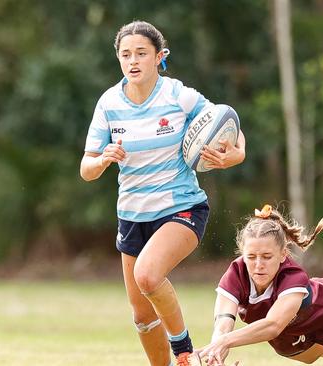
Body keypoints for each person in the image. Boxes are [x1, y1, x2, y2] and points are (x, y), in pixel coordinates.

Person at [80, 20, 246, 366]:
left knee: (148, 275)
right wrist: (104, 159)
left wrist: (236, 154)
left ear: (159, 56)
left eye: (141, 53)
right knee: (141, 315)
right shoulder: (109, 103)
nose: (133, 61)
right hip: (132, 215)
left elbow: (226, 119)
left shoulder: (177, 96)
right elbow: (86, 167)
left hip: (181, 208)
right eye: (126, 54)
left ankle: (185, 353)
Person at [195, 205, 323, 366]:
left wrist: (225, 342)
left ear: (283, 254)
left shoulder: (292, 276)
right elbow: (222, 325)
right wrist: (216, 352)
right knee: (309, 357)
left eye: (267, 257)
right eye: (251, 257)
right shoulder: (235, 274)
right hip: (287, 331)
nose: (258, 264)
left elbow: (273, 325)